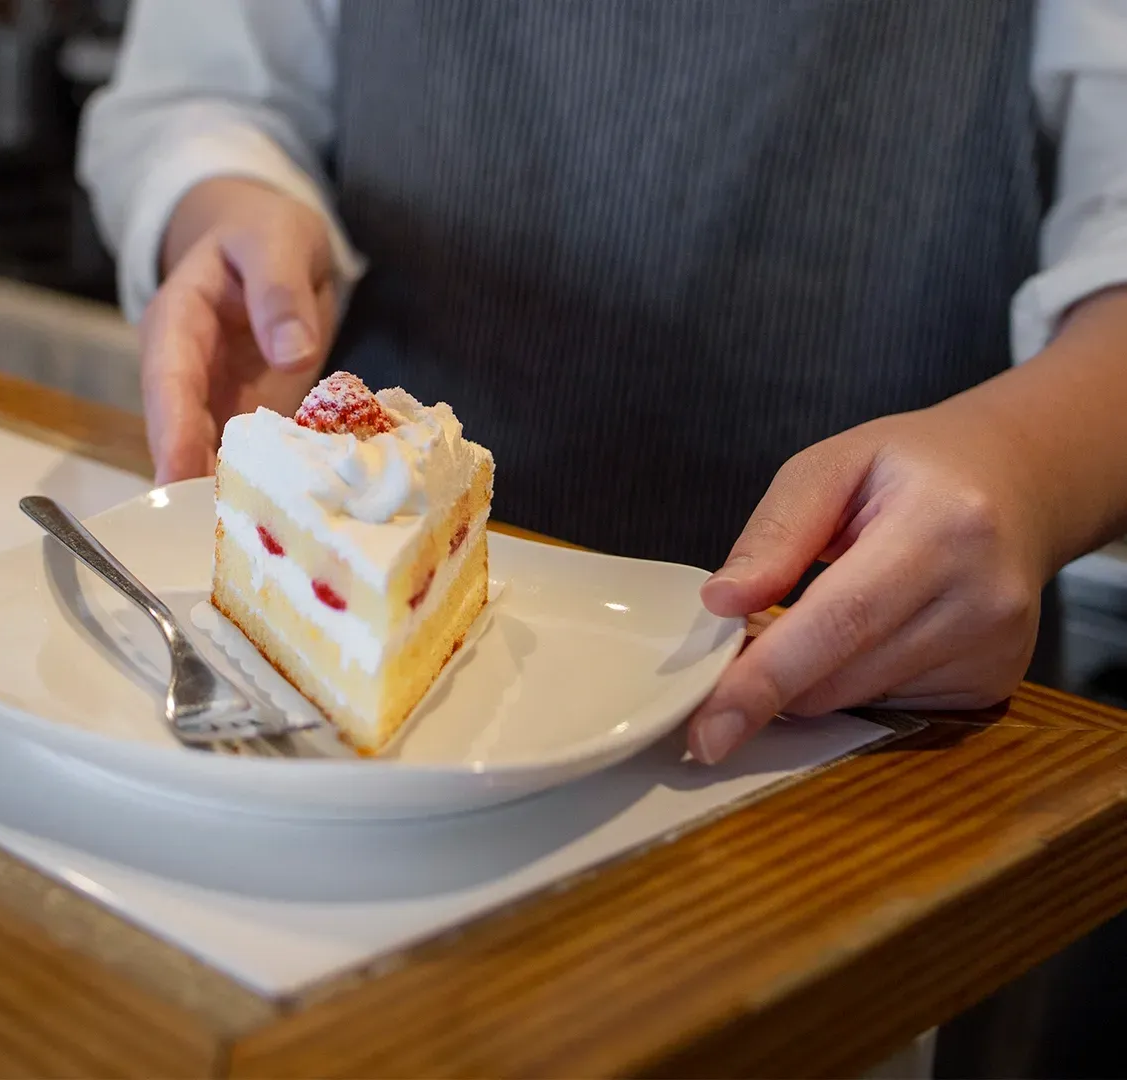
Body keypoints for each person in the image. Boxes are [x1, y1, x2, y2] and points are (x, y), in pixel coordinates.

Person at [77, 5, 1127, 1072]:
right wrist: (230, 204)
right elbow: (202, 92)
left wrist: (1030, 470)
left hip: (856, 717)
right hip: (362, 818)